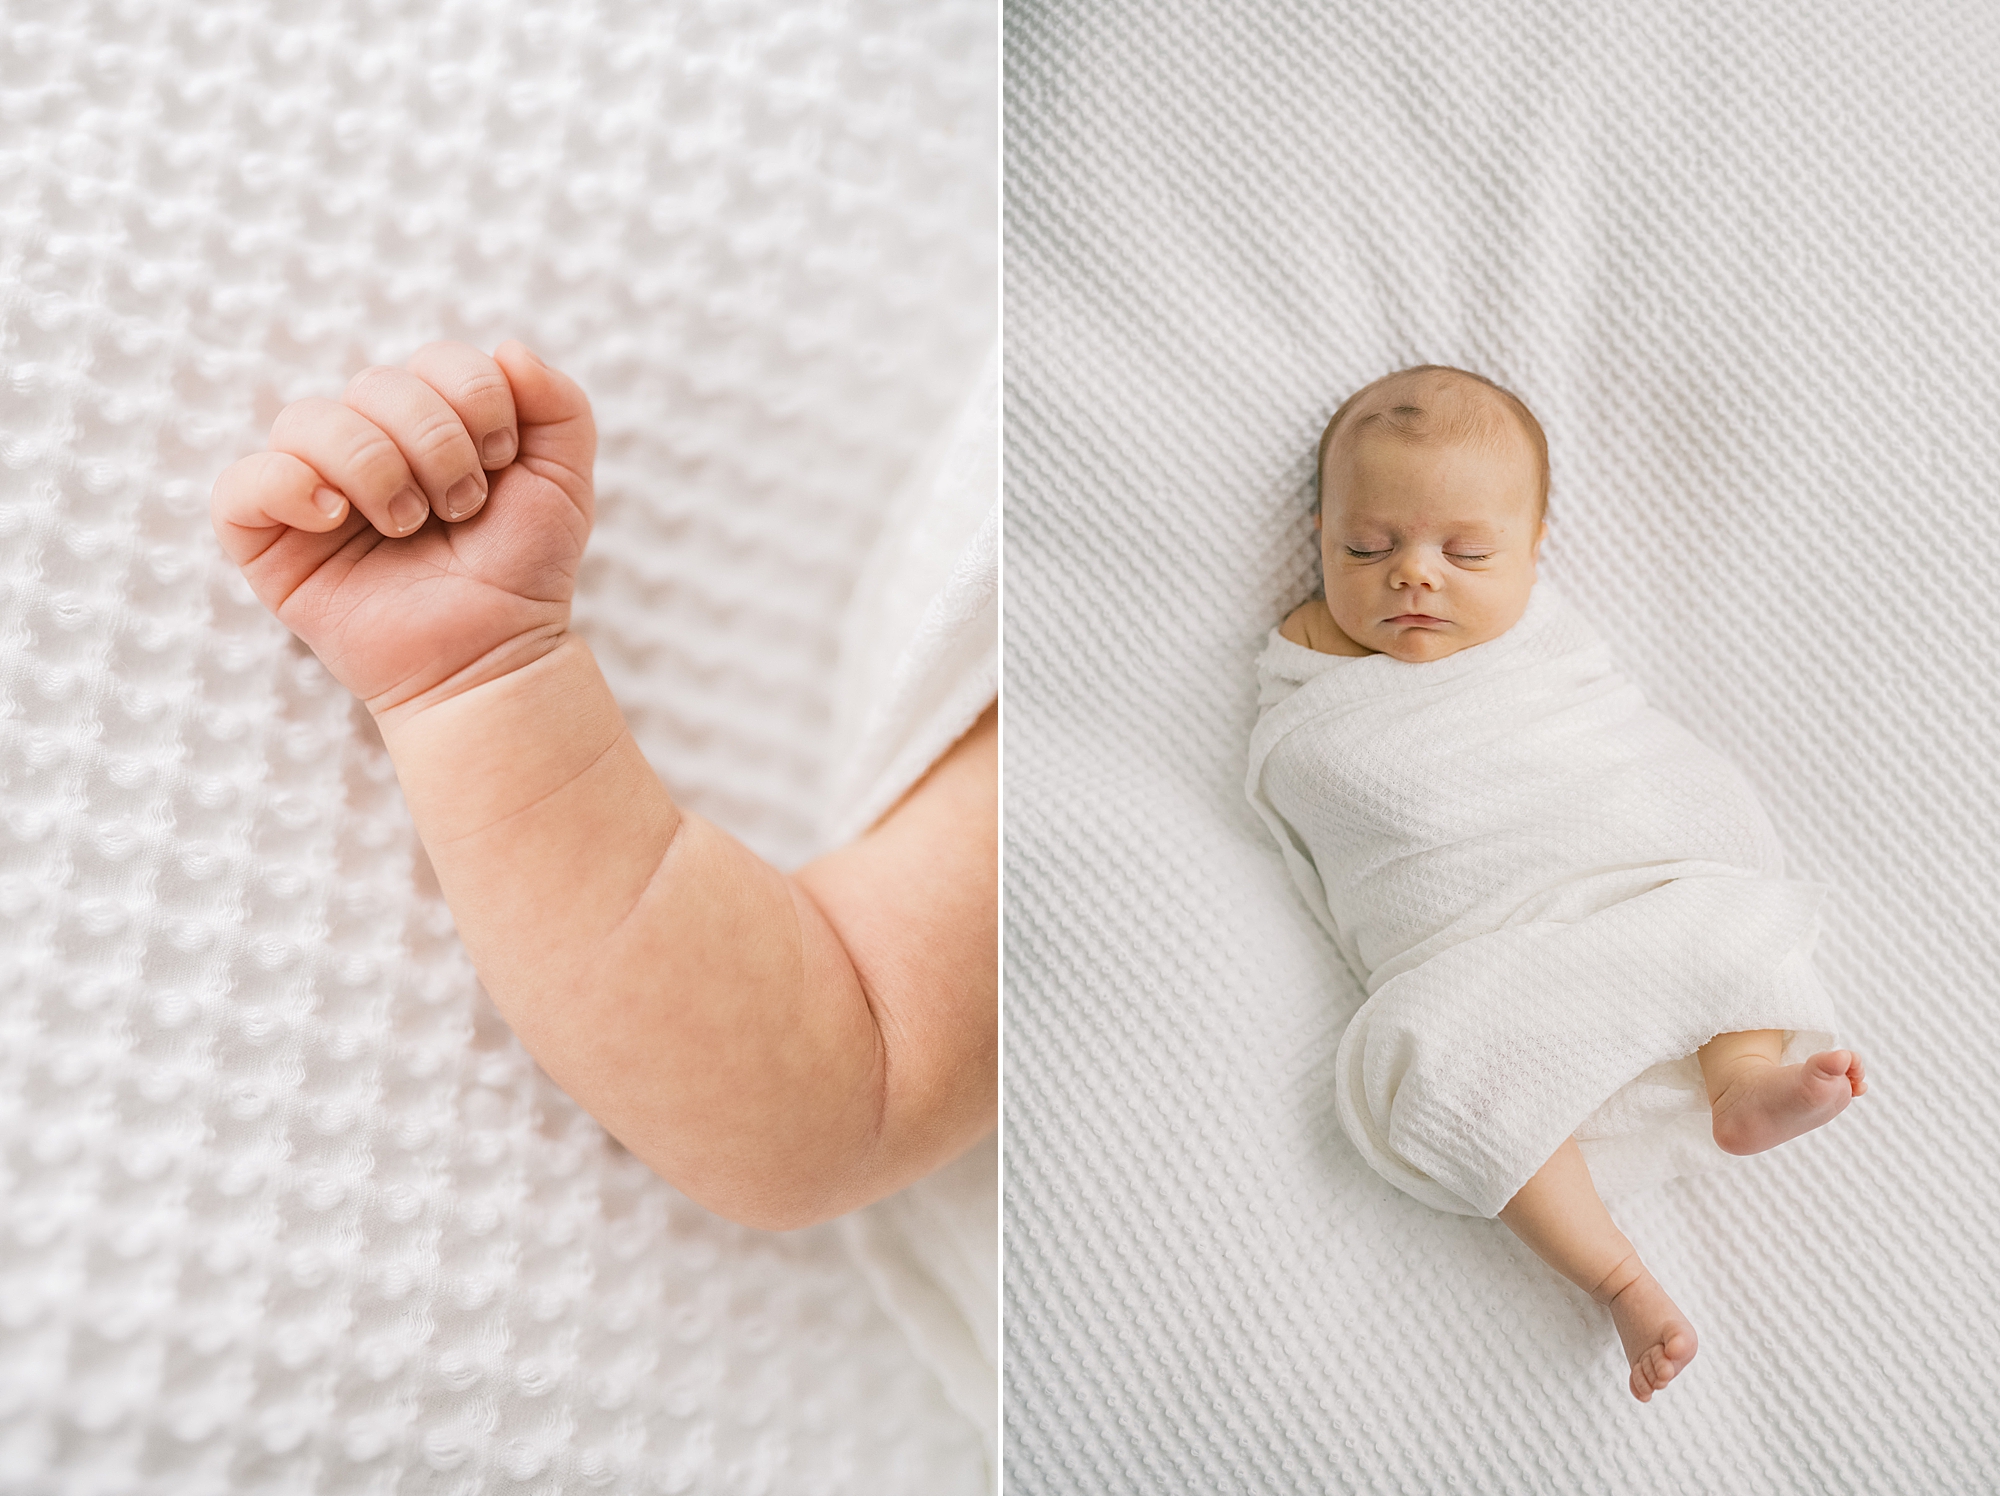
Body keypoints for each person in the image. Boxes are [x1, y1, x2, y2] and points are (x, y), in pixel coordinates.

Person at [1249, 365, 1865, 1401]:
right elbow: (1327, 777)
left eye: (1466, 551)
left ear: (1534, 553)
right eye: (1367, 545)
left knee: (1721, 918)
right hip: (1479, 955)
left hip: (1619, 878)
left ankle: (1742, 1080)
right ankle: (1616, 1273)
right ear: (1318, 535)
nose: (1412, 576)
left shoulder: (1542, 647)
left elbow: (1611, 751)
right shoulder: (1311, 664)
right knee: (1429, 1068)